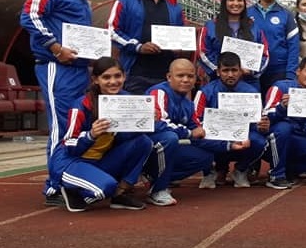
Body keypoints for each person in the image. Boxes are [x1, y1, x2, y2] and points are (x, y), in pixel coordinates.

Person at [20, 0, 94, 206]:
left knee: (77, 125)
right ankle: (54, 186)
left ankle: (70, 179)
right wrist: (55, 47)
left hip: (79, 70)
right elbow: (30, 17)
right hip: (57, 66)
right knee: (61, 126)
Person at [55, 57, 152, 212]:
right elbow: (68, 144)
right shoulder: (81, 105)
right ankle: (71, 190)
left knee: (144, 142)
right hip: (73, 162)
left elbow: (125, 137)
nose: (113, 82)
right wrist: (90, 135)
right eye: (106, 77)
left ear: (124, 76)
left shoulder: (127, 100)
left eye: (117, 76)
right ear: (95, 80)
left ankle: (120, 192)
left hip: (101, 160)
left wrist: (146, 121)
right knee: (105, 188)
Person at [107, 0, 186, 95]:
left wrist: (179, 46)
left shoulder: (175, 6)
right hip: (135, 75)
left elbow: (181, 35)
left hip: (167, 77)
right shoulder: (125, 2)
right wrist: (138, 47)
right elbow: (112, 32)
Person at [193, 52, 267, 188]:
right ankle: (210, 172)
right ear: (218, 72)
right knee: (198, 137)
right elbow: (195, 120)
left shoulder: (251, 92)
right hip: (215, 136)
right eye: (226, 70)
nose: (230, 74)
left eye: (234, 70)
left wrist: (261, 126)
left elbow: (256, 123)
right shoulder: (205, 92)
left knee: (259, 141)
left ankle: (240, 170)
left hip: (241, 136)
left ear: (241, 71)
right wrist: (216, 130)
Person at [142, 59, 209, 206]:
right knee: (169, 138)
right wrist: (188, 133)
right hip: (146, 144)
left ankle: (154, 176)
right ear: (169, 77)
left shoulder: (188, 104)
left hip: (167, 145)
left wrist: (229, 143)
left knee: (205, 157)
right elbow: (158, 124)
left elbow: (198, 130)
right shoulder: (159, 92)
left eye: (190, 76)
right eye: (180, 75)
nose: (185, 80)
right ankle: (159, 189)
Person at [262, 57, 306, 189]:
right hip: (275, 139)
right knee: (284, 128)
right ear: (298, 71)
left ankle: (290, 171)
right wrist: (282, 107)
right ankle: (276, 175)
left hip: (297, 140)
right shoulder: (280, 87)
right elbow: (266, 117)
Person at [198, 0, 270, 90]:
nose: (236, 3)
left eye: (239, 0)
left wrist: (252, 71)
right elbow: (203, 53)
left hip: (249, 83)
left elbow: (265, 55)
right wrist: (222, 70)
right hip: (219, 84)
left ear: (244, 3)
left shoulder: (255, 27)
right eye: (231, 0)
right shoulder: (210, 26)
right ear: (224, 2)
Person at [249, 0, 300, 91]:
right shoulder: (246, 13)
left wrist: (290, 76)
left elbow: (294, 47)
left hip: (279, 74)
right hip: (252, 73)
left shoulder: (286, 15)